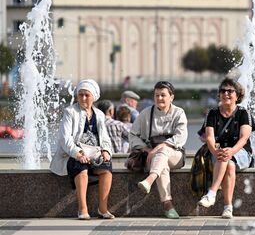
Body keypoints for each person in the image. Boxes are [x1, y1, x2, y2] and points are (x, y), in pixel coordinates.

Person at [50, 79, 115, 220]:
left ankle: (103, 209)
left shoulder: (99, 114)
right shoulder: (70, 112)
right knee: (81, 167)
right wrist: (77, 153)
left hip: (94, 153)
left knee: (107, 168)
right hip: (73, 154)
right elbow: (65, 139)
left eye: (87, 95)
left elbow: (105, 138)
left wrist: (106, 151)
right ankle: (82, 209)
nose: (83, 98)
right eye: (81, 95)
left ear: (94, 96)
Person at [198, 77, 255, 219]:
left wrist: (232, 151)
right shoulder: (212, 113)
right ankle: (228, 208)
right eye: (223, 91)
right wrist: (215, 151)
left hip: (241, 152)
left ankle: (211, 193)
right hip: (218, 153)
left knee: (227, 157)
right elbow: (209, 137)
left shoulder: (244, 113)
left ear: (237, 96)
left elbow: (244, 138)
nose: (226, 94)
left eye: (230, 91)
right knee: (229, 164)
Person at [129, 81, 188, 219]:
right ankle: (168, 206)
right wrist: (145, 148)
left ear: (171, 97)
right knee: (162, 165)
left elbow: (181, 136)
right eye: (157, 95)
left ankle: (149, 179)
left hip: (175, 154)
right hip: (151, 156)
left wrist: (162, 146)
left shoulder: (179, 113)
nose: (159, 98)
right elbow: (132, 134)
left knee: (162, 152)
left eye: (163, 95)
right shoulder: (145, 113)